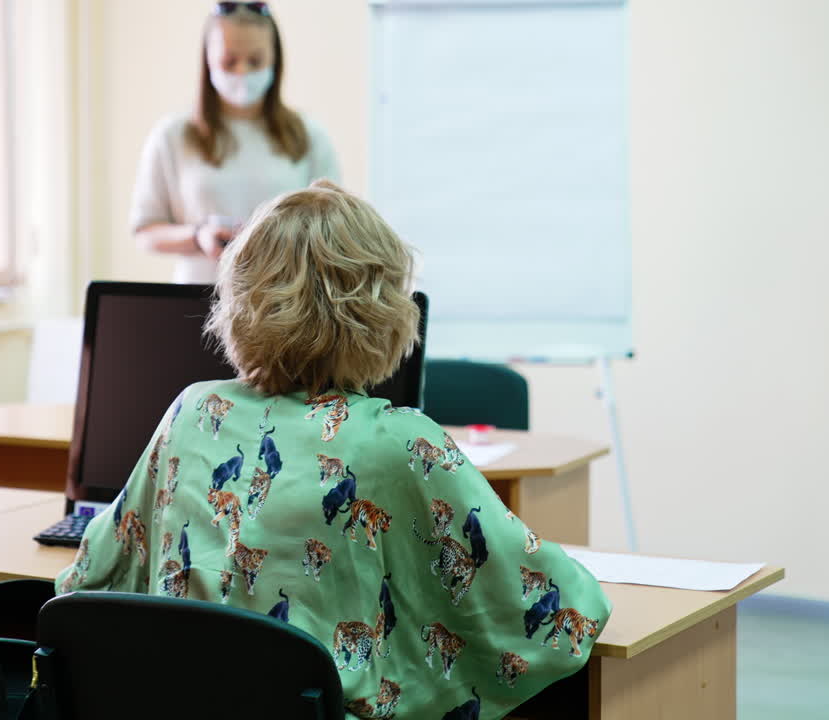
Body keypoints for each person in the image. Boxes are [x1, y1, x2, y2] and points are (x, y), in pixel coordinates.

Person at [58, 181, 611, 719]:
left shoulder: (192, 411)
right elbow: (536, 608)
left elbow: (89, 580)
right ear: (382, 309)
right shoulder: (396, 439)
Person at [130, 2, 341, 284]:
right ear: (208, 59)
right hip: (196, 302)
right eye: (229, 61)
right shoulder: (172, 136)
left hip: (284, 307)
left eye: (255, 61)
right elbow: (145, 231)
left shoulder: (309, 136)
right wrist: (198, 235)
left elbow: (335, 230)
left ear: (274, 60)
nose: (242, 72)